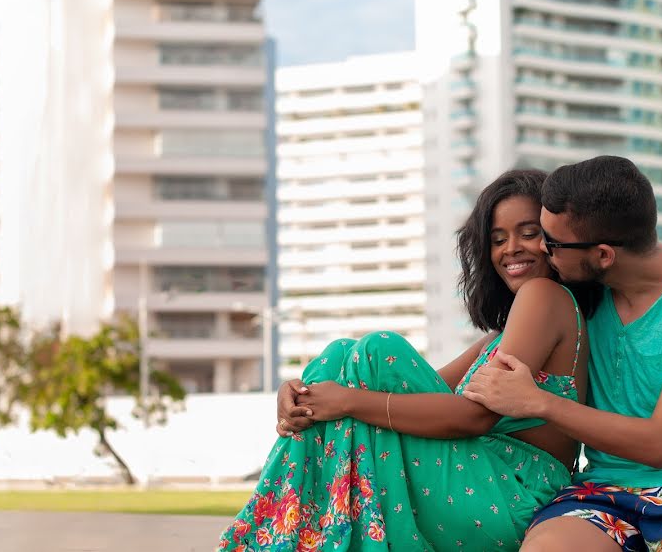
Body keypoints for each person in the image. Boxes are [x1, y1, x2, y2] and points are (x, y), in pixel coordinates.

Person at [218, 169, 600, 551]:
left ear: (555, 239)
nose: (510, 248)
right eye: (497, 239)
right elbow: (411, 395)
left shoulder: (544, 295)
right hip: (485, 482)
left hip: (514, 494)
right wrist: (306, 396)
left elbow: (473, 416)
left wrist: (346, 400)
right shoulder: (502, 337)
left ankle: (279, 535)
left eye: (528, 233)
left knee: (378, 351)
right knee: (339, 359)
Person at [463, 156, 662, 552]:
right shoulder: (577, 295)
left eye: (552, 243)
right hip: (601, 493)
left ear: (604, 255)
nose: (542, 248)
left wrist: (537, 402)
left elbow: (660, 444)